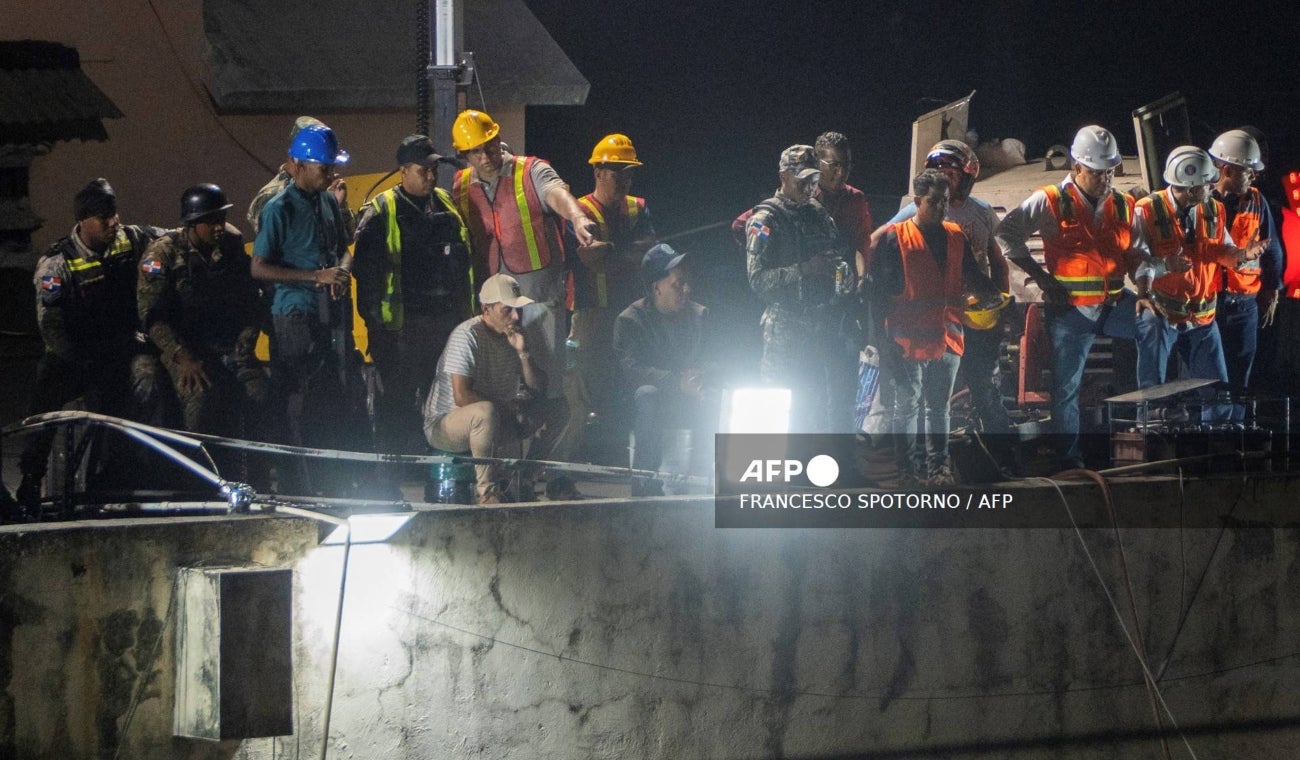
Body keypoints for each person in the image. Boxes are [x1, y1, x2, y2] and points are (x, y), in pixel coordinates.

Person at [995, 125, 1148, 470]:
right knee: (1066, 390)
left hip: (1114, 305)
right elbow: (1007, 234)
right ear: (1077, 167)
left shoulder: (1125, 204)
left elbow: (1138, 252)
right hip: (1071, 313)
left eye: (1109, 171)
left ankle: (1134, 445)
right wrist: (1040, 278)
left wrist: (1147, 290)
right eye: (1097, 172)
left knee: (1152, 330)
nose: (1105, 178)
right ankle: (1070, 462)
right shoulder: (1050, 200)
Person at [449, 109, 597, 464]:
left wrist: (577, 217)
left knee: (547, 390)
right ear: (465, 154)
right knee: (501, 392)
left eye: (488, 147)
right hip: (493, 309)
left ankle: (545, 472)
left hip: (539, 300)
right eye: (475, 152)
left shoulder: (530, 170)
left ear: (498, 140)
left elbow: (557, 193)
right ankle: (508, 474)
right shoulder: (460, 185)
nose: (484, 157)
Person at [13, 179, 166, 510]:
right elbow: (51, 328)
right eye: (103, 218)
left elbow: (170, 238)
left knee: (147, 380)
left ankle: (126, 468)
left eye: (114, 214)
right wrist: (83, 360)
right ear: (83, 221)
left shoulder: (130, 239)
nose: (113, 223)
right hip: (75, 354)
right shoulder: (56, 264)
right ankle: (30, 478)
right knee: (45, 401)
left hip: (121, 347)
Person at [885, 140, 1014, 469]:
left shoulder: (978, 215)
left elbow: (996, 262)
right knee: (915, 402)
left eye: (952, 176)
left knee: (983, 386)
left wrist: (999, 302)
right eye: (939, 175)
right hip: (920, 328)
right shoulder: (911, 216)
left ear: (966, 177)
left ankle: (1002, 458)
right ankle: (911, 469)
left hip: (969, 319)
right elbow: (878, 246)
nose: (945, 186)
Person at [250, 123, 355, 490]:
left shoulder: (328, 201)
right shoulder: (278, 209)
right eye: (323, 168)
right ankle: (296, 485)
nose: (329, 175)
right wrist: (315, 277)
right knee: (297, 397)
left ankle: (322, 479)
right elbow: (259, 267)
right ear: (298, 165)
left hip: (327, 313)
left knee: (325, 397)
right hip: (293, 314)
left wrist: (339, 274)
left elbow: (344, 247)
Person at [353, 134, 472, 454]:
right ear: (404, 171)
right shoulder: (382, 210)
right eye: (424, 171)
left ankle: (438, 465)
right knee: (398, 402)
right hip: (401, 329)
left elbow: (462, 263)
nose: (431, 177)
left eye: (434, 170)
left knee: (442, 398)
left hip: (444, 322)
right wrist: (376, 327)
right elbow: (365, 275)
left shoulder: (445, 202)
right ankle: (395, 470)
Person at [137, 184, 265, 437]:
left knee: (259, 394)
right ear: (193, 223)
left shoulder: (230, 244)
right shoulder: (163, 253)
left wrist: (244, 343)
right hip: (183, 348)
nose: (219, 227)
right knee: (200, 399)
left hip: (225, 343)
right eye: (211, 221)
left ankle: (255, 469)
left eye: (221, 219)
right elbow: (151, 316)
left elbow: (251, 297)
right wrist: (181, 355)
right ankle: (192, 468)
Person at [1133, 146, 1264, 388]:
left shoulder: (1214, 208)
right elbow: (1137, 260)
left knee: (1217, 392)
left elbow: (1223, 250)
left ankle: (1218, 425)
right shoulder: (1146, 209)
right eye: (1207, 183)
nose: (1213, 186)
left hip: (1203, 320)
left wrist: (1243, 255)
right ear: (1192, 188)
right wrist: (1165, 266)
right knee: (1153, 388)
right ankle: (1150, 420)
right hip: (1164, 315)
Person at [744, 144, 852, 433]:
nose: (808, 187)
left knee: (813, 403)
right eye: (801, 179)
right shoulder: (765, 220)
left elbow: (834, 253)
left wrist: (841, 273)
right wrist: (804, 270)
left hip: (819, 323)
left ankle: (806, 469)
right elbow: (757, 280)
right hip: (784, 324)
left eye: (813, 180)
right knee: (777, 403)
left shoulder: (817, 212)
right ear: (783, 176)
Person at [567, 133, 658, 458]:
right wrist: (625, 256)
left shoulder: (639, 208)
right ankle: (588, 455)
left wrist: (612, 258)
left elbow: (650, 254)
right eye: (617, 170)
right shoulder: (578, 211)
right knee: (587, 387)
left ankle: (617, 454)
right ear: (598, 172)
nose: (624, 179)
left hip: (632, 313)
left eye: (629, 171)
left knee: (627, 384)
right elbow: (584, 260)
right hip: (591, 314)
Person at [422, 274, 547, 504]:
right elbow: (461, 396)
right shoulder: (467, 335)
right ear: (486, 309)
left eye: (518, 309)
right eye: (507, 310)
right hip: (445, 424)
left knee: (555, 409)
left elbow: (538, 388)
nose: (515, 316)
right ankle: (487, 493)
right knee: (485, 413)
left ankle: (525, 480)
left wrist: (523, 353)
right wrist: (507, 409)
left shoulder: (515, 335)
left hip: (495, 418)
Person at [612, 244, 710, 480]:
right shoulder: (630, 320)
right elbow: (633, 370)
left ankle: (716, 478)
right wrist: (678, 382)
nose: (686, 289)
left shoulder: (700, 315)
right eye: (677, 284)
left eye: (687, 282)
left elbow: (716, 357)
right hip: (652, 394)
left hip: (691, 389)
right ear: (656, 287)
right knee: (647, 395)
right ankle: (645, 480)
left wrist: (703, 376)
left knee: (727, 395)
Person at [1208, 129, 1283, 395]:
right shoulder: (1200, 201)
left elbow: (1272, 248)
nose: (1253, 176)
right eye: (1247, 170)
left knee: (1240, 378)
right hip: (1207, 304)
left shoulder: (1257, 201)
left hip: (1243, 306)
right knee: (1206, 380)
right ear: (1227, 169)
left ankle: (1234, 433)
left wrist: (1272, 289)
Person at [248, 116, 354, 236]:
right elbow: (295, 246)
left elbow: (347, 238)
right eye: (324, 168)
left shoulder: (320, 191)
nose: (331, 175)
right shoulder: (270, 197)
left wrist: (338, 206)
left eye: (332, 168)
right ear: (298, 161)